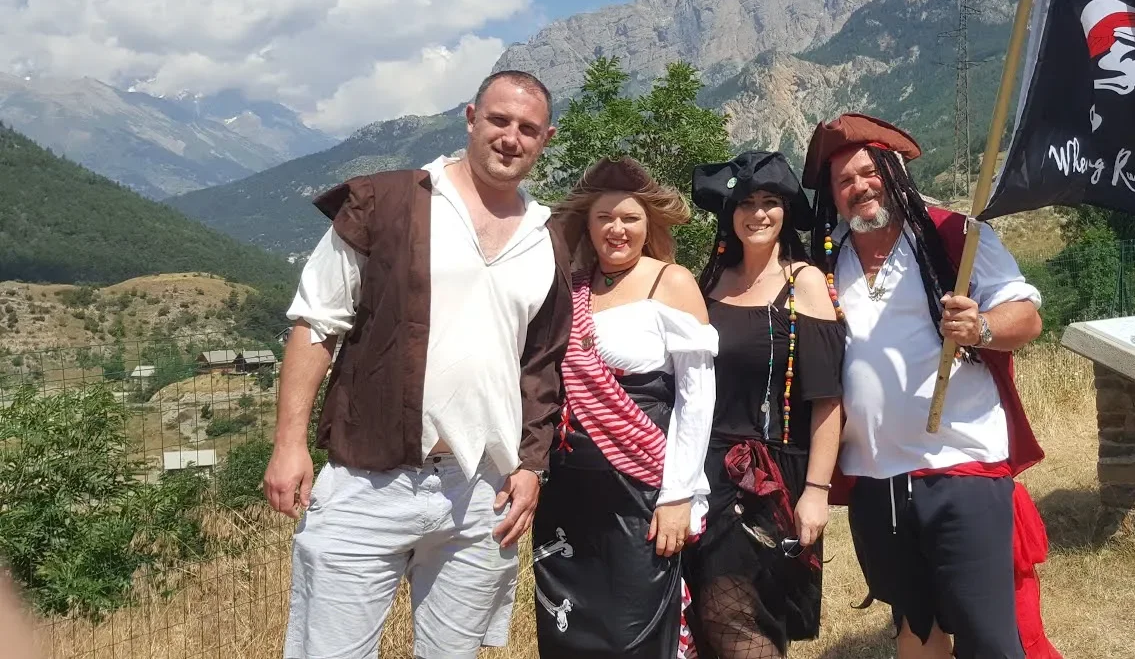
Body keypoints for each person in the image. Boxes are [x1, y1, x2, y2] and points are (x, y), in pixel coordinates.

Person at [262, 69, 571, 658]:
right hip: (366, 480)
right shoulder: (388, 200)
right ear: (470, 118)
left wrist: (532, 466)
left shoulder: (547, 236)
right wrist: (289, 443)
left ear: (546, 139)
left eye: (527, 129)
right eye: (499, 120)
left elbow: (542, 365)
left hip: (481, 492)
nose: (511, 138)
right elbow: (316, 324)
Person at [801, 113, 1058, 659]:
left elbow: (1027, 317)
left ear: (895, 176)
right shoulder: (827, 260)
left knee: (988, 635)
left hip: (959, 467)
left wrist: (982, 326)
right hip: (876, 479)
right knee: (915, 630)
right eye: (844, 181)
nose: (859, 188)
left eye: (870, 173)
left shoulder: (954, 237)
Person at [532, 157, 718, 659]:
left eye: (629, 218)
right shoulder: (571, 289)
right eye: (604, 218)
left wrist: (678, 496)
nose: (617, 229)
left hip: (638, 494)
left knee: (631, 634)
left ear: (648, 224)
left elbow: (697, 400)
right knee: (566, 631)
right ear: (587, 225)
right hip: (568, 494)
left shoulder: (672, 282)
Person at [685, 151, 846, 658]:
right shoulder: (705, 285)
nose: (758, 213)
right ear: (729, 214)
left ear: (786, 212)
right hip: (703, 472)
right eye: (746, 202)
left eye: (770, 202)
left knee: (740, 617)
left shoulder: (805, 284)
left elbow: (829, 401)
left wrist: (817, 491)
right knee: (706, 620)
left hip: (772, 477)